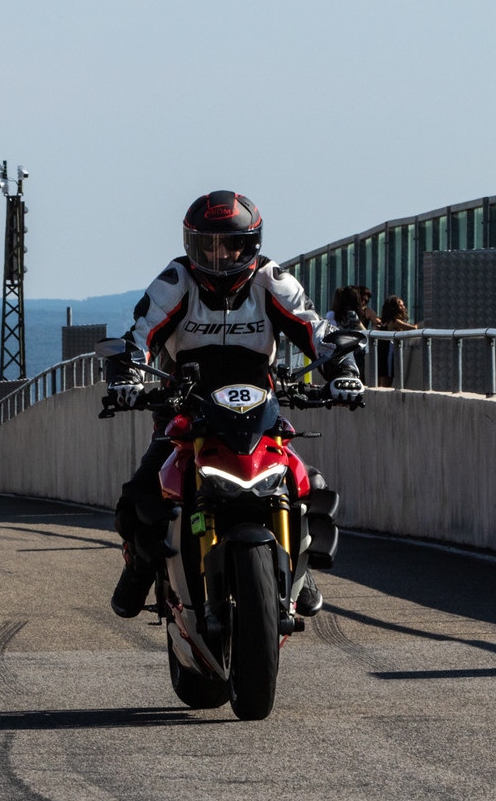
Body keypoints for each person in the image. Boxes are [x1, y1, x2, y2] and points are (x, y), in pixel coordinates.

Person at [106, 190, 363, 618]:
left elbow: (315, 329)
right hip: (184, 409)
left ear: (252, 244)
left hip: (259, 412)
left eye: (230, 244)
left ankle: (296, 562)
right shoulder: (176, 281)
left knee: (307, 484)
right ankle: (140, 565)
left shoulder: (271, 279)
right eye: (206, 244)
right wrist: (128, 377)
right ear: (191, 245)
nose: (219, 254)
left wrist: (344, 373)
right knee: (141, 495)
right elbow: (140, 334)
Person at [376, 295, 418, 387]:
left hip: (382, 353)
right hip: (388, 354)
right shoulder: (395, 321)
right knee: (387, 382)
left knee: (382, 382)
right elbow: (414, 328)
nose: (403, 307)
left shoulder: (383, 322)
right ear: (393, 308)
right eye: (400, 305)